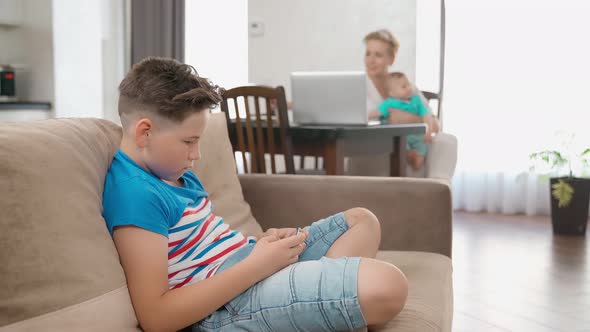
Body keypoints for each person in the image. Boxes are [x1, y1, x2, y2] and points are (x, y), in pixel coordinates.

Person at [102, 57, 408, 331]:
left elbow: (209, 241)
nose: (196, 154)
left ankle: (316, 304)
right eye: (188, 141)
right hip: (224, 305)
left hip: (247, 262)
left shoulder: (177, 173)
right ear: (145, 132)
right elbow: (156, 317)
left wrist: (263, 246)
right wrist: (258, 266)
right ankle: (321, 301)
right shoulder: (135, 193)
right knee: (388, 284)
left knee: (362, 221)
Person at [370, 72, 435, 170]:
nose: (408, 88)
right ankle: (410, 155)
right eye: (404, 87)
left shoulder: (416, 101)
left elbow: (426, 115)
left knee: (422, 147)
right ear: (392, 93)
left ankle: (418, 161)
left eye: (408, 84)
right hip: (401, 136)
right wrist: (363, 115)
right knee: (400, 146)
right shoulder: (389, 103)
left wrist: (428, 131)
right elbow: (376, 113)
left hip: (418, 136)